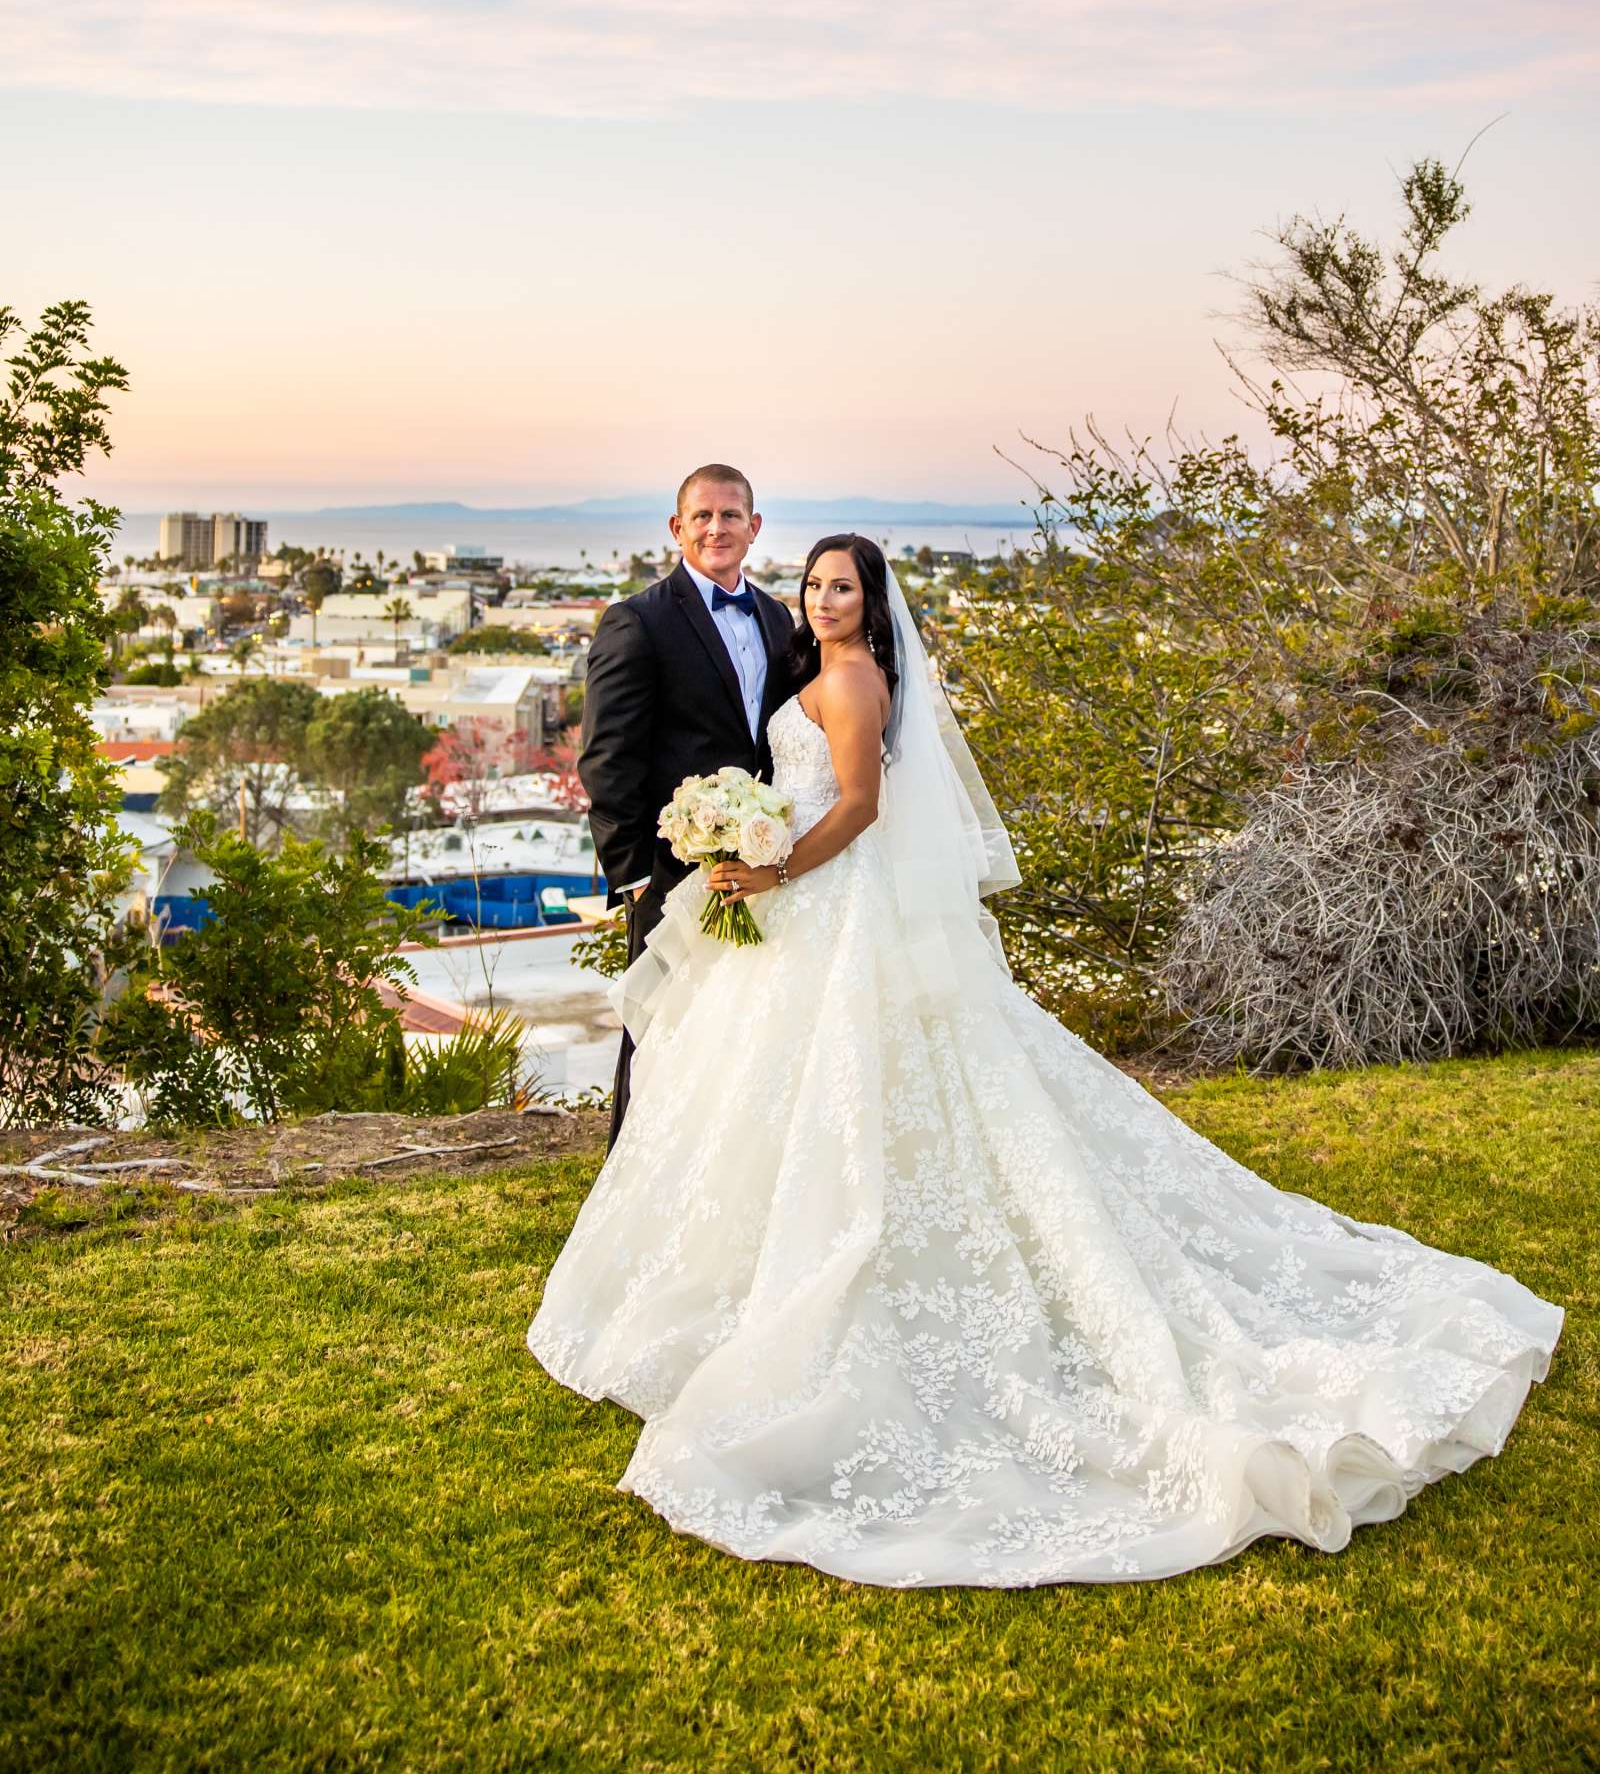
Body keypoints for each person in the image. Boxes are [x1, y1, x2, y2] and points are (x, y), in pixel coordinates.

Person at [533, 533, 1564, 1589]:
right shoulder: (821, 668)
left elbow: (858, 807)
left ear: (872, 598)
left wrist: (775, 865)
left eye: (842, 586)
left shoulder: (853, 683)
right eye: (814, 585)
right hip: (807, 909)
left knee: (851, 1086)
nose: (824, 598)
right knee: (779, 1092)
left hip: (821, 897)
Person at [577, 463, 795, 1148]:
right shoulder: (637, 621)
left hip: (759, 865)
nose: (716, 528)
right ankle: (627, 1173)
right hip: (672, 874)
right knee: (657, 1025)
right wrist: (635, 874)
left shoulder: (777, 616)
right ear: (677, 528)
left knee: (737, 1026)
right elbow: (606, 756)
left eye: (731, 515)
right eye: (701, 516)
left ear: (754, 527)